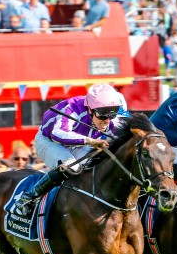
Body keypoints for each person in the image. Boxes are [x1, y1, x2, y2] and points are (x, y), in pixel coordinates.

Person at [12, 84, 127, 216]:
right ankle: (28, 198)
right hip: (49, 140)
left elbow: (125, 130)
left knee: (94, 167)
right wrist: (90, 141)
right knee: (72, 167)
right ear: (90, 109)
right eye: (102, 116)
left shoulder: (111, 108)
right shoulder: (73, 107)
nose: (107, 121)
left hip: (78, 143)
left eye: (111, 115)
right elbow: (58, 133)